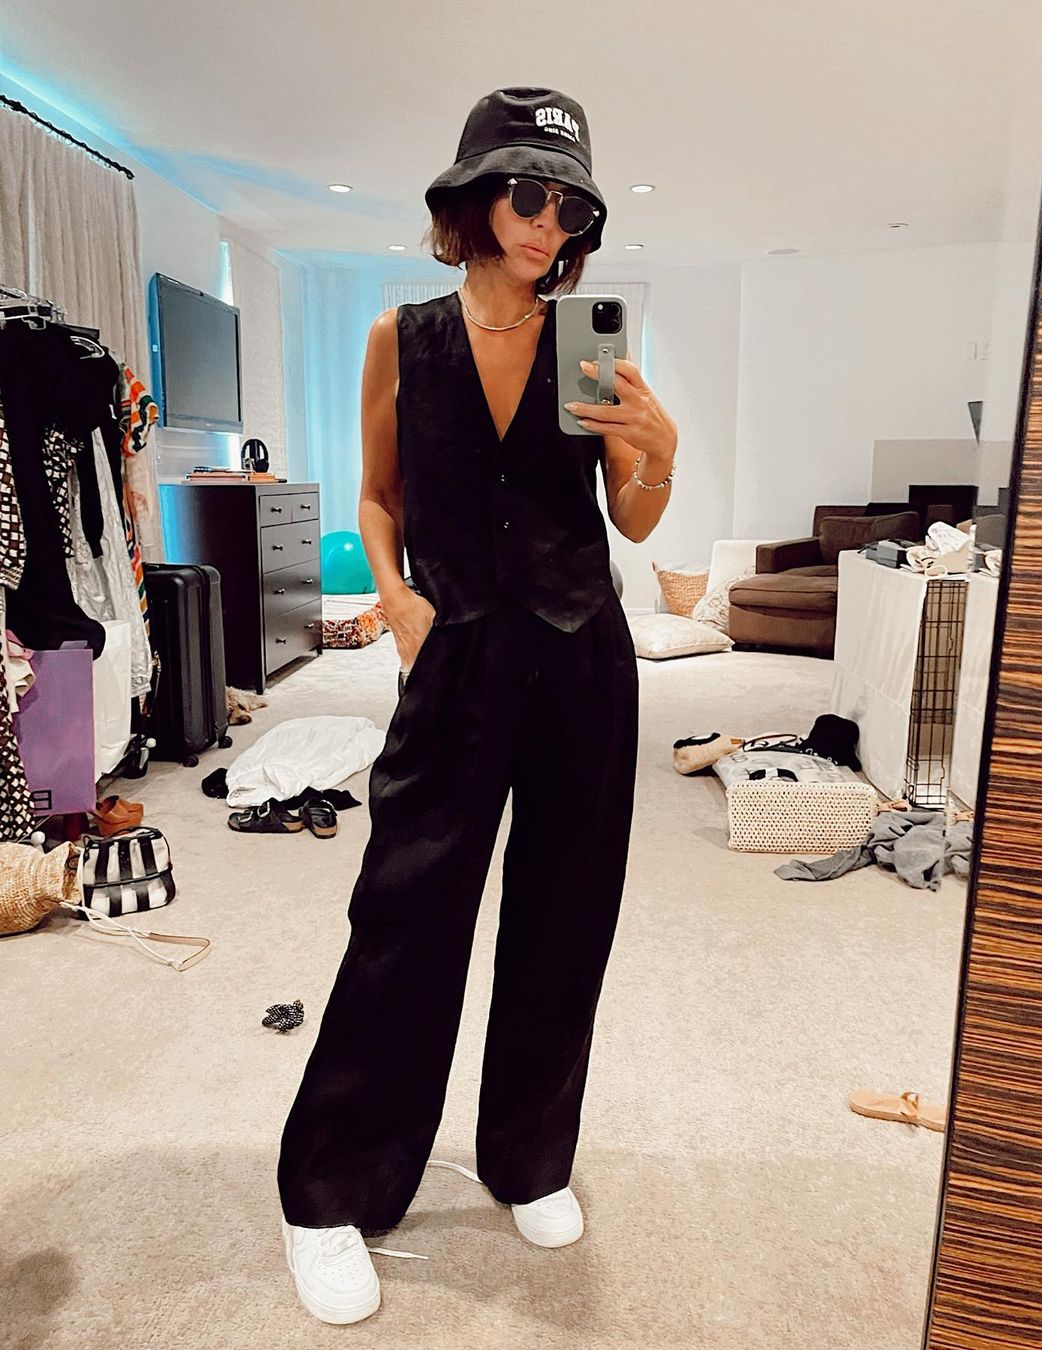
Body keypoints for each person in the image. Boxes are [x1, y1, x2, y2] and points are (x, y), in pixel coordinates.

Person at [277, 86, 678, 1326]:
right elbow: (379, 494)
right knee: (406, 913)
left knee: (567, 917)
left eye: (572, 207)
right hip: (452, 656)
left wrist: (659, 454)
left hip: (583, 658)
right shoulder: (402, 337)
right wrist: (396, 601)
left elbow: (634, 523)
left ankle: (528, 1157)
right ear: (474, 196)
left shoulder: (592, 346)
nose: (549, 223)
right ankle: (330, 1192)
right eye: (530, 194)